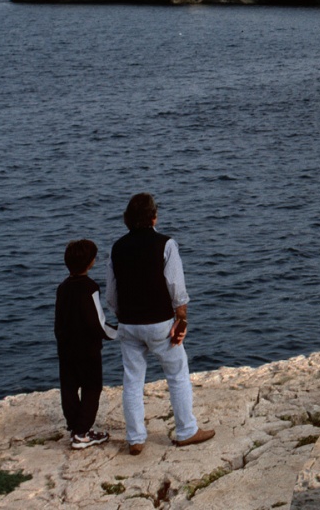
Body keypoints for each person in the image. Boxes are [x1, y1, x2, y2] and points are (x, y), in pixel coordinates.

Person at [104, 193, 214, 454]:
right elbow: (176, 286)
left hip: (129, 324)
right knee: (176, 374)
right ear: (154, 217)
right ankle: (186, 430)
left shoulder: (116, 248)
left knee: (132, 380)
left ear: (126, 220)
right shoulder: (165, 244)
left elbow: (111, 293)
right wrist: (182, 319)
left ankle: (135, 439)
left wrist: (122, 316)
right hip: (160, 323)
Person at [54, 239, 116, 450]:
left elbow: (58, 321)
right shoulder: (90, 287)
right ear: (90, 262)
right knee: (92, 388)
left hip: (66, 348)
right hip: (88, 350)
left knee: (69, 387)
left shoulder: (62, 288)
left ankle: (74, 427)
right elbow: (97, 322)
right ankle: (82, 432)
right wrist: (119, 333)